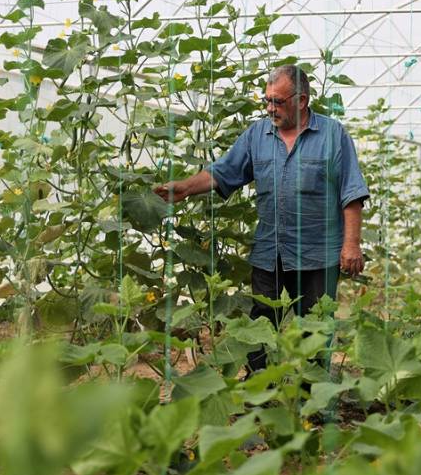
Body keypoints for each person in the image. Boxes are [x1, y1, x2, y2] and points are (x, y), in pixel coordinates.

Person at [153, 65, 369, 372]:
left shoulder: (333, 135)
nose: (270, 108)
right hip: (271, 250)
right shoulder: (258, 134)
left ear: (302, 100)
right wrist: (186, 188)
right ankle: (259, 390)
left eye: (277, 102)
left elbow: (351, 192)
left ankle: (311, 399)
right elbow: (224, 171)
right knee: (260, 324)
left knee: (317, 327)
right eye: (266, 100)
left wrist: (351, 245)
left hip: (317, 253)